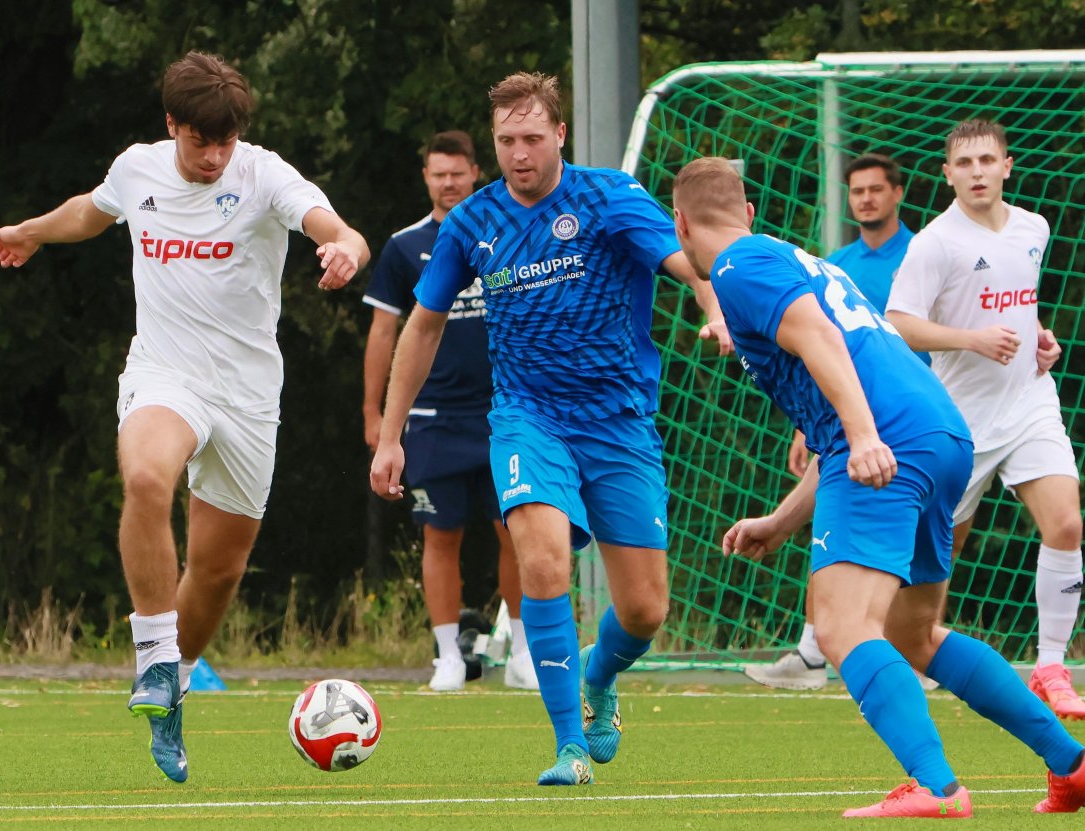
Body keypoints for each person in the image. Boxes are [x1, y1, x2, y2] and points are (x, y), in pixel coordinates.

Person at [0, 51, 369, 783]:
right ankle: (155, 659)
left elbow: (333, 226)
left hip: (248, 396)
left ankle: (174, 686)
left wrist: (344, 247)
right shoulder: (139, 169)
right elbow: (91, 211)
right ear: (172, 126)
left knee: (219, 573)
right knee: (147, 478)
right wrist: (34, 229)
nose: (215, 156)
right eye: (201, 141)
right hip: (165, 375)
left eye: (226, 142)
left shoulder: (264, 174)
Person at [673, 154, 1085, 817]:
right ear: (748, 211)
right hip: (942, 434)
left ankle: (937, 786)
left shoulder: (736, 267)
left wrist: (866, 436)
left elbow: (821, 344)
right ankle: (1073, 764)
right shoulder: (795, 257)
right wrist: (782, 519)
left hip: (890, 436)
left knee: (840, 625)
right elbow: (838, 416)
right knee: (914, 634)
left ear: (681, 222)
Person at [370, 72, 731, 786]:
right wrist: (390, 432)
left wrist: (716, 304)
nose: (519, 153)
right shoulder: (472, 223)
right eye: (506, 141)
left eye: (532, 138)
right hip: (527, 419)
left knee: (645, 608)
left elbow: (688, 263)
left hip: (619, 424)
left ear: (560, 134)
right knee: (541, 561)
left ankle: (600, 678)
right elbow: (423, 325)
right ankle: (569, 745)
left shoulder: (609, 199)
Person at [885, 118, 1085, 720]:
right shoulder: (936, 243)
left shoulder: (1034, 227)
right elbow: (899, 321)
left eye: (986, 161)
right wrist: (970, 340)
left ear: (1007, 166)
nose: (976, 172)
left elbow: (1022, 306)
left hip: (1029, 402)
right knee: (932, 580)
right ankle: (905, 658)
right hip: (960, 425)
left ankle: (1050, 664)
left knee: (1068, 524)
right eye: (964, 163)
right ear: (947, 174)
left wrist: (1040, 339)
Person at [361, 130, 536, 692]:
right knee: (441, 535)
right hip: (433, 419)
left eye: (457, 173)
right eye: (438, 174)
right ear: (426, 178)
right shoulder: (403, 247)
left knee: (519, 531)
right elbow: (384, 331)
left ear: (474, 171)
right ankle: (448, 658)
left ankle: (525, 655)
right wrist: (375, 413)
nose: (448, 183)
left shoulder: (505, 229)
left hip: (506, 412)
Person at [749, 153, 922, 691]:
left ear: (898, 194)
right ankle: (813, 650)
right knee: (830, 513)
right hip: (847, 423)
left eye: (876, 189)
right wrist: (806, 425)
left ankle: (912, 647)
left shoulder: (922, 253)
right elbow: (816, 349)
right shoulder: (835, 263)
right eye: (857, 191)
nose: (866, 198)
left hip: (912, 413)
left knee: (923, 534)